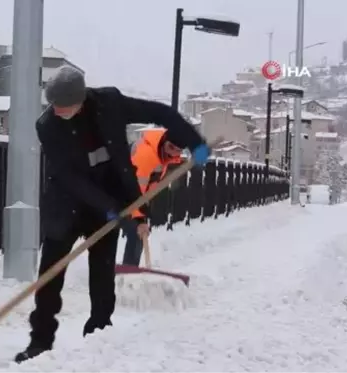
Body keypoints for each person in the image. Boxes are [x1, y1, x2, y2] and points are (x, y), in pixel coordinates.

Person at [14, 66, 210, 364]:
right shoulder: (48, 126)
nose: (58, 110)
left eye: (63, 106)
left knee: (103, 274)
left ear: (81, 99)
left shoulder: (110, 103)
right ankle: (40, 340)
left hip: (109, 197)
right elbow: (68, 176)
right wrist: (110, 207)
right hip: (67, 203)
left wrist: (195, 143)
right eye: (54, 105)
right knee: (50, 276)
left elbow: (163, 114)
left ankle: (99, 334)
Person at [121, 128, 184, 266]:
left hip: (132, 196)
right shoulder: (146, 155)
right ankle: (126, 274)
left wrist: (143, 215)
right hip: (116, 191)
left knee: (138, 234)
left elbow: (148, 190)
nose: (172, 153)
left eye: (177, 150)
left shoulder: (163, 157)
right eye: (170, 147)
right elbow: (135, 190)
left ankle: (128, 272)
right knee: (135, 233)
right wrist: (139, 219)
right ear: (165, 142)